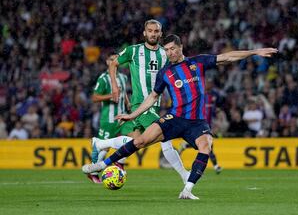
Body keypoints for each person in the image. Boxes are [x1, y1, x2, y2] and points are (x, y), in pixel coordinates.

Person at [82, 34, 277, 199]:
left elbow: (227, 57)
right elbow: (152, 98)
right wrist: (132, 114)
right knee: (140, 141)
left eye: (172, 49)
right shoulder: (165, 73)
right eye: (166, 50)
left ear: (181, 47)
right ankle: (101, 164)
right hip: (174, 118)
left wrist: (254, 52)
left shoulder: (197, 62)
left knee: (206, 146)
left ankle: (187, 189)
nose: (169, 53)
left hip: (196, 122)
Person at [107, 19, 189, 183]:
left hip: (155, 105)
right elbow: (113, 64)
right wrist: (115, 87)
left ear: (160, 33)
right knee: (165, 136)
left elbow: (181, 66)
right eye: (150, 31)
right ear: (144, 33)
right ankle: (185, 175)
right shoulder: (134, 51)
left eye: (156, 31)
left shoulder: (165, 53)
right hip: (140, 105)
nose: (153, 34)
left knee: (137, 141)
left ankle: (101, 145)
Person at [87, 54, 135, 183]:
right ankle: (93, 172)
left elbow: (123, 92)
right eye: (112, 59)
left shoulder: (123, 77)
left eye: (116, 59)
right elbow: (94, 97)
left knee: (134, 140)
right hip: (108, 119)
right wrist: (110, 95)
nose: (115, 61)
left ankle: (120, 162)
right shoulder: (103, 79)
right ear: (107, 62)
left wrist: (127, 103)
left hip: (123, 117)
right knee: (104, 148)